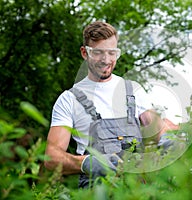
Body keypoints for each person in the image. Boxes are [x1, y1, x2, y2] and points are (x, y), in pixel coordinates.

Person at [44, 21, 179, 188]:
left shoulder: (133, 90)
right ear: (84, 53)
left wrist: (169, 139)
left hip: (137, 191)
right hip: (96, 192)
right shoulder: (69, 99)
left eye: (112, 53)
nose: (106, 60)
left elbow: (158, 129)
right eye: (98, 52)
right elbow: (52, 158)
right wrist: (90, 163)